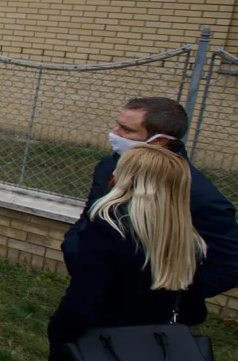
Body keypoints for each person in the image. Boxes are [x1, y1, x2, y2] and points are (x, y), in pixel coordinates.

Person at [42, 145, 208, 361]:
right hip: (155, 353)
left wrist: (58, 333)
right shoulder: (187, 241)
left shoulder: (109, 229)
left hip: (98, 350)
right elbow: (194, 313)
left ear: (129, 179)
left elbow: (81, 307)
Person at [61, 96, 238, 307]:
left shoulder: (199, 196)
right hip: (91, 296)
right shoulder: (108, 167)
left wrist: (166, 297)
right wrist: (75, 254)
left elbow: (229, 266)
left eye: (127, 130)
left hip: (144, 319)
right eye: (118, 125)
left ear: (160, 141)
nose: (114, 133)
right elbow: (89, 217)